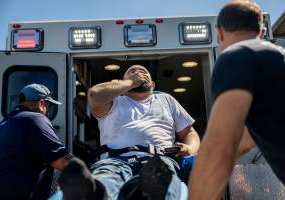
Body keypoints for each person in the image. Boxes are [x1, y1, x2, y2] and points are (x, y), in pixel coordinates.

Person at [188, 1, 285, 199]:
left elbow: (219, 146)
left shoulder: (237, 55)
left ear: (219, 33)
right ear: (262, 32)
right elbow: (245, 141)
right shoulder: (284, 61)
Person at [60, 64, 200, 200]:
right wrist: (131, 82)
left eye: (143, 72)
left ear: (152, 83)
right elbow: (94, 94)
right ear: (123, 83)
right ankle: (95, 194)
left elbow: (189, 133)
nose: (138, 72)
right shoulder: (112, 101)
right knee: (106, 177)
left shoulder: (166, 100)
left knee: (161, 177)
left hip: (158, 159)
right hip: (115, 160)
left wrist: (190, 148)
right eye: (132, 72)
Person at [0, 83, 73, 200]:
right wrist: (90, 174)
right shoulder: (35, 119)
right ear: (41, 104)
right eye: (48, 106)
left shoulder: (3, 124)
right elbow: (61, 161)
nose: (47, 111)